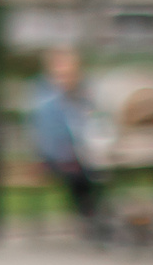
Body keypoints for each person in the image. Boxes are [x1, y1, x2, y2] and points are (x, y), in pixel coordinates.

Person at [28, 45, 103, 230]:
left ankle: (94, 214)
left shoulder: (82, 92)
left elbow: (92, 121)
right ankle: (89, 215)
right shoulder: (45, 96)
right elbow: (46, 133)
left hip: (83, 152)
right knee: (79, 173)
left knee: (98, 169)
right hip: (54, 155)